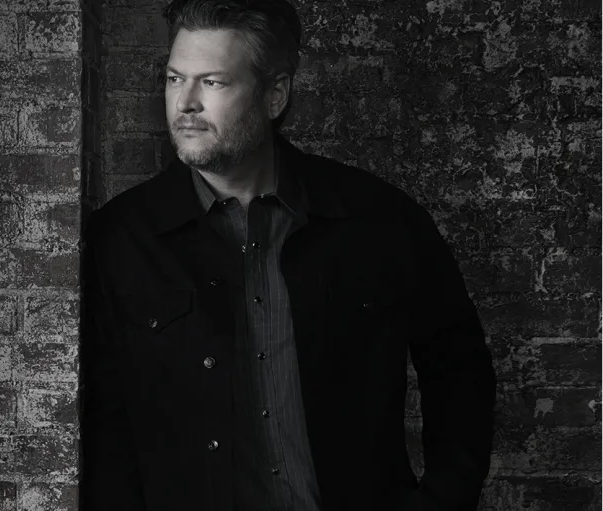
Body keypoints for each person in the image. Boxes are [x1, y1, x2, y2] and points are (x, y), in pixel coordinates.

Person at [79, 0, 497, 509]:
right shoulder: (121, 238)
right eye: (174, 79)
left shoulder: (378, 220)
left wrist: (441, 500)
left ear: (275, 94)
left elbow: (459, 369)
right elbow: (105, 429)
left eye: (212, 82)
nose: (184, 103)